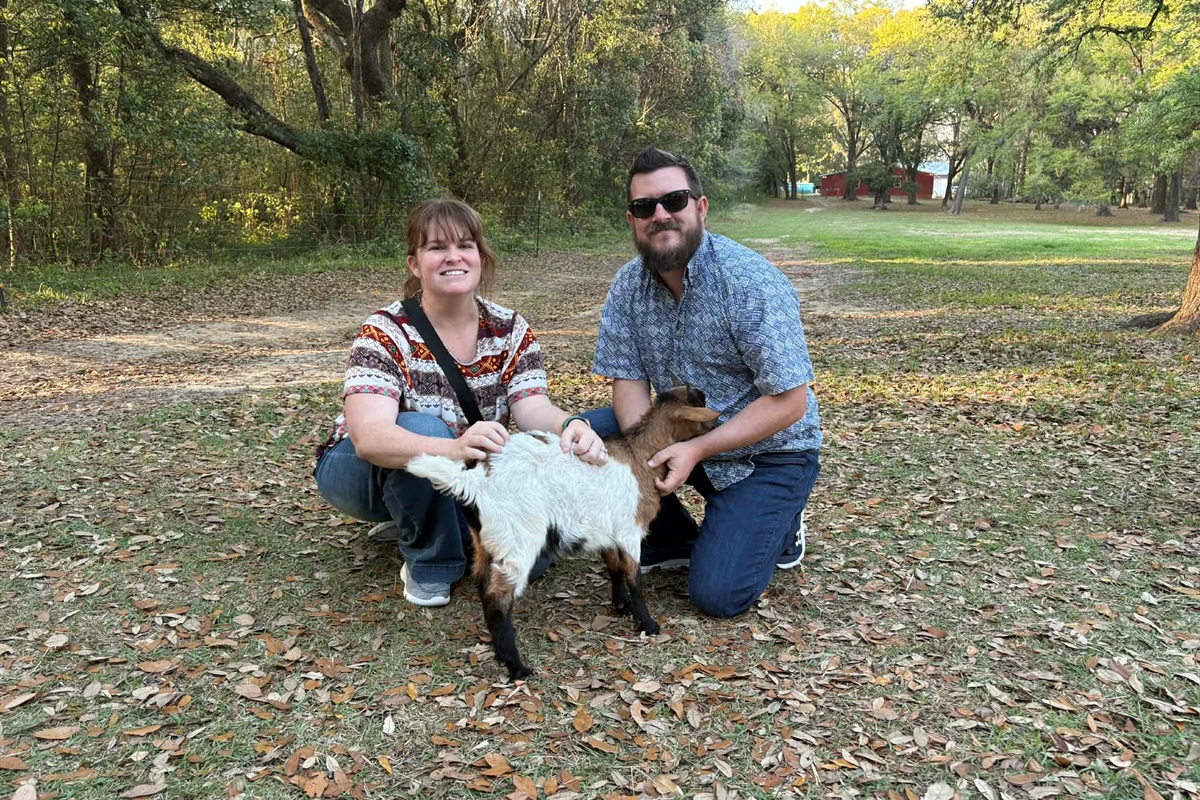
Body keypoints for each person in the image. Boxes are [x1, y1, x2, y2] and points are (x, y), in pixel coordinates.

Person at [315, 197, 608, 608]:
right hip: (359, 472)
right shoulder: (384, 331)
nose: (454, 257)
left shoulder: (509, 328)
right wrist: (452, 448)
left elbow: (532, 407)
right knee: (426, 429)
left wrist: (570, 425)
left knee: (536, 557)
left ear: (480, 257)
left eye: (465, 245)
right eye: (437, 247)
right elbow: (370, 437)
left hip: (459, 471)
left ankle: (426, 521)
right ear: (415, 264)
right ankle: (432, 563)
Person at [588, 146, 822, 619]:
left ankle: (779, 520)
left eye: (673, 201)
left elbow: (791, 402)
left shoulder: (749, 281)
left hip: (768, 454)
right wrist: (646, 461)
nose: (660, 215)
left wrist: (695, 450)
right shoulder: (626, 287)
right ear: (631, 221)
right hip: (682, 438)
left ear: (700, 206)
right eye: (643, 207)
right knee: (584, 433)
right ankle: (673, 535)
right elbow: (629, 386)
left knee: (717, 594)